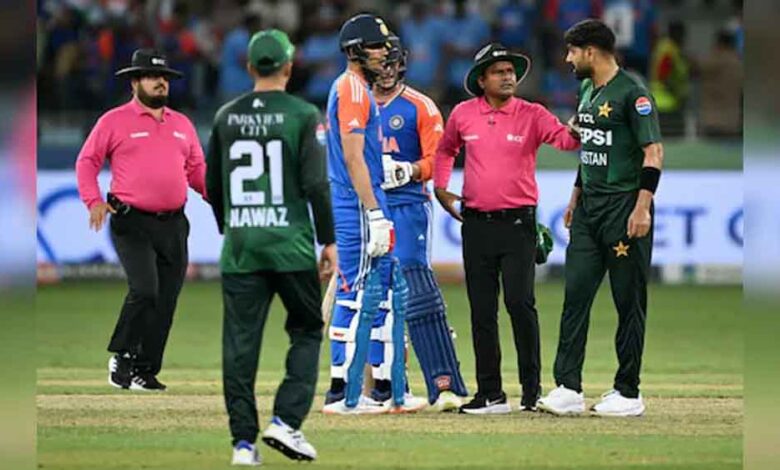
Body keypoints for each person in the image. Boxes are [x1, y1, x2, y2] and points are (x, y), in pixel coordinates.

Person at [205, 29, 337, 464]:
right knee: (307, 330)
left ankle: (243, 444)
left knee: (239, 348)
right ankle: (285, 421)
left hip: (242, 248)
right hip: (290, 246)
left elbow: (212, 185)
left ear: (248, 67)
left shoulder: (225, 116)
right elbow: (316, 184)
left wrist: (231, 226)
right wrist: (329, 240)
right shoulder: (303, 114)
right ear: (289, 67)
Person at [434, 43, 580, 414]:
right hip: (476, 224)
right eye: (498, 71)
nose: (508, 76)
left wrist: (579, 125)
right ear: (481, 80)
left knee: (520, 304)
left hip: (518, 224)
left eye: (510, 71)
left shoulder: (533, 113)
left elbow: (565, 141)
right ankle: (491, 394)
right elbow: (445, 150)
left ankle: (531, 392)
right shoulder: (463, 114)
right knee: (482, 311)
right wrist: (440, 188)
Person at [537, 19, 663, 418]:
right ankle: (568, 387)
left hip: (624, 208)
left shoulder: (634, 93)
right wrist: (575, 196)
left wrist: (642, 207)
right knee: (575, 295)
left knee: (629, 301)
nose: (567, 59)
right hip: (589, 209)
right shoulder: (588, 89)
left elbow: (654, 153)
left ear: (590, 51)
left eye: (572, 51)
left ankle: (628, 391)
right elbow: (590, 148)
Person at [75, 49, 207, 391]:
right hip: (131, 221)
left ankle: (144, 369)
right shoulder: (113, 121)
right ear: (134, 83)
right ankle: (122, 354)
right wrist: (93, 200)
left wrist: (218, 199)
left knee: (166, 299)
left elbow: (197, 171)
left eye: (164, 77)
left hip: (174, 223)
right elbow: (87, 162)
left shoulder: (182, 125)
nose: (160, 82)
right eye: (151, 76)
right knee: (146, 289)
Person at [320, 14, 419, 415]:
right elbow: (352, 157)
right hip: (358, 202)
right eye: (376, 46)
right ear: (355, 50)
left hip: (365, 198)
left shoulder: (355, 88)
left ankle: (381, 388)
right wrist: (374, 212)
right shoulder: (352, 89)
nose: (384, 52)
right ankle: (340, 393)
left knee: (381, 293)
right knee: (355, 291)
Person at [373, 36, 468, 412]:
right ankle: (379, 387)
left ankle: (444, 383)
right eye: (379, 63)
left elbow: (437, 158)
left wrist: (408, 170)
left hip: (407, 206)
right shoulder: (353, 104)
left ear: (402, 64)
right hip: (364, 209)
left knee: (414, 288)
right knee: (370, 297)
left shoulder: (419, 106)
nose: (386, 70)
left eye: (391, 63)